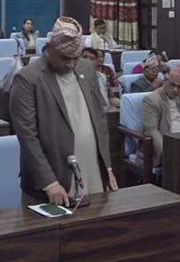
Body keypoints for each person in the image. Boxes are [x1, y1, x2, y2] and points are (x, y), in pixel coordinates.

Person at [10, 17, 117, 206]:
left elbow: (99, 119)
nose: (71, 64)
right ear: (50, 48)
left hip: (92, 168)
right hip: (52, 180)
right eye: (65, 58)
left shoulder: (86, 69)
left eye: (76, 58)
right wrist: (49, 182)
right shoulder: (28, 78)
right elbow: (27, 136)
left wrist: (107, 167)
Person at [143, 65, 180, 166]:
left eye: (179, 87)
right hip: (168, 144)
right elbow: (152, 131)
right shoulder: (152, 100)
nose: (175, 90)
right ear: (166, 81)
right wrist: (165, 155)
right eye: (172, 84)